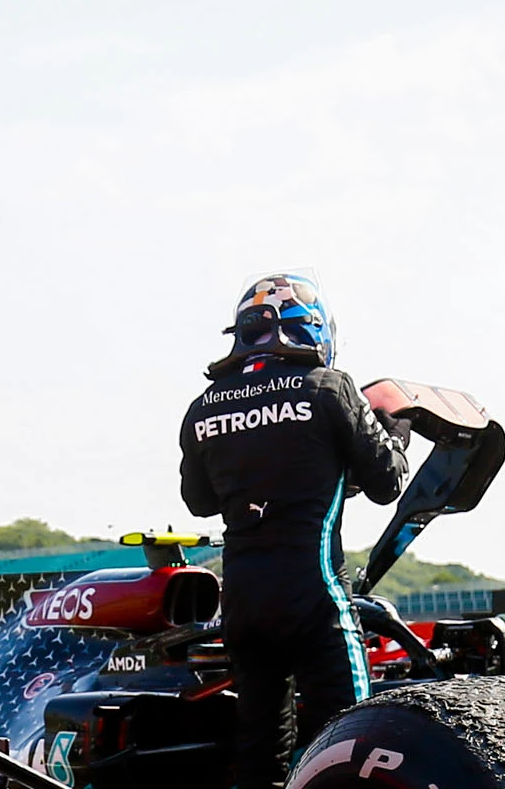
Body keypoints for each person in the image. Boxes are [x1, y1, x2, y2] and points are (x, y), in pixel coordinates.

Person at [178, 274, 410, 789]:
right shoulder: (330, 387)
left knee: (260, 752)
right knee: (354, 743)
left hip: (242, 603)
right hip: (316, 597)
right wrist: (395, 431)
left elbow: (198, 501)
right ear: (313, 330)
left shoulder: (203, 406)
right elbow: (387, 482)